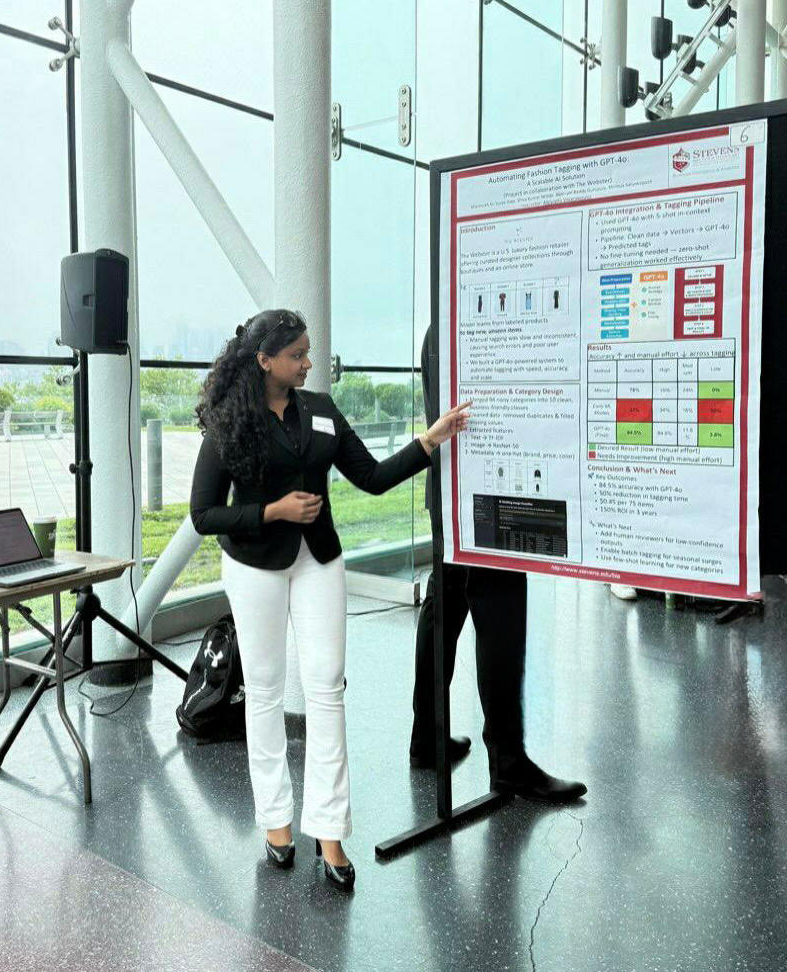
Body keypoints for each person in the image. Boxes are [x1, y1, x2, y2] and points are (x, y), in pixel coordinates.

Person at [190, 310, 470, 890]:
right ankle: (275, 822)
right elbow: (203, 513)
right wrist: (272, 511)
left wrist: (428, 441)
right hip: (254, 565)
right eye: (297, 355)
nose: (308, 363)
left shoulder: (319, 409)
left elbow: (368, 475)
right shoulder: (231, 419)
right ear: (265, 360)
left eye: (308, 353)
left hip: (319, 558)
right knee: (264, 691)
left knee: (328, 686)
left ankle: (329, 829)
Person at [410, 329, 587, 803]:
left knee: (442, 607)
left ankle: (426, 736)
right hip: (492, 491)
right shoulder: (477, 315)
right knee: (500, 614)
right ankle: (508, 763)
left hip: (451, 491)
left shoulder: (440, 319)